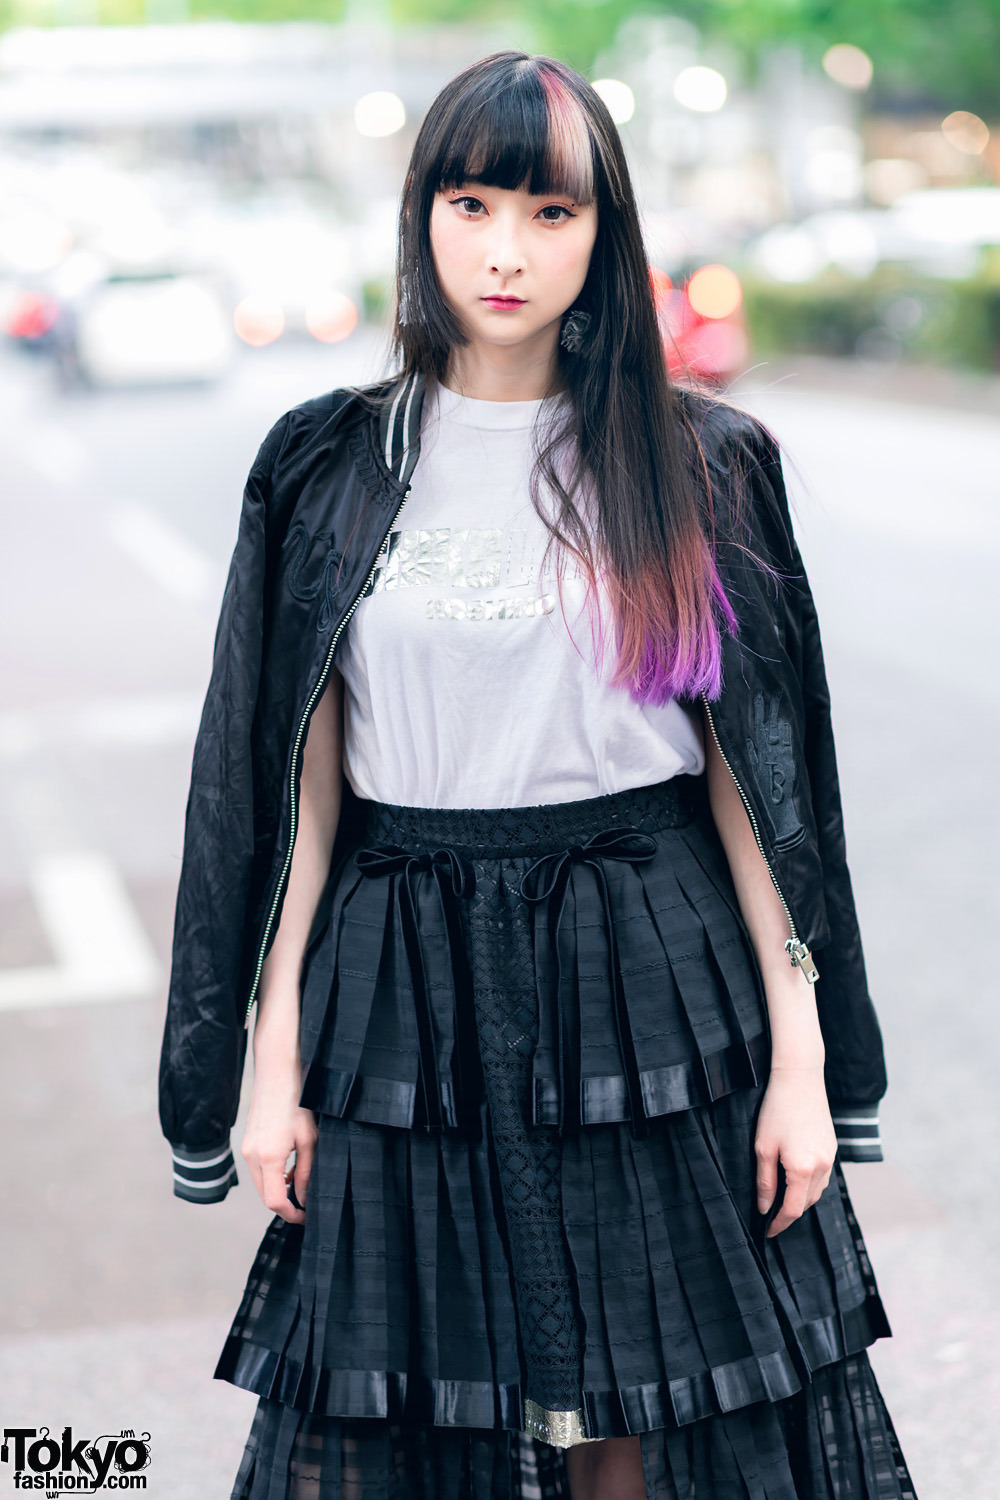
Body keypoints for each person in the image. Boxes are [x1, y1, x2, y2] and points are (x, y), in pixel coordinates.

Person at [158, 50, 919, 1500]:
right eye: (471, 201)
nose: (506, 250)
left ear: (605, 237)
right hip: (398, 979)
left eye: (552, 214)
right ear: (420, 216)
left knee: (647, 1413)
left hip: (649, 971)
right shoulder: (326, 465)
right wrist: (271, 1070)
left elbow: (759, 793)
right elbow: (293, 801)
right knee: (424, 1414)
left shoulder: (695, 462)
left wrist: (803, 1066)